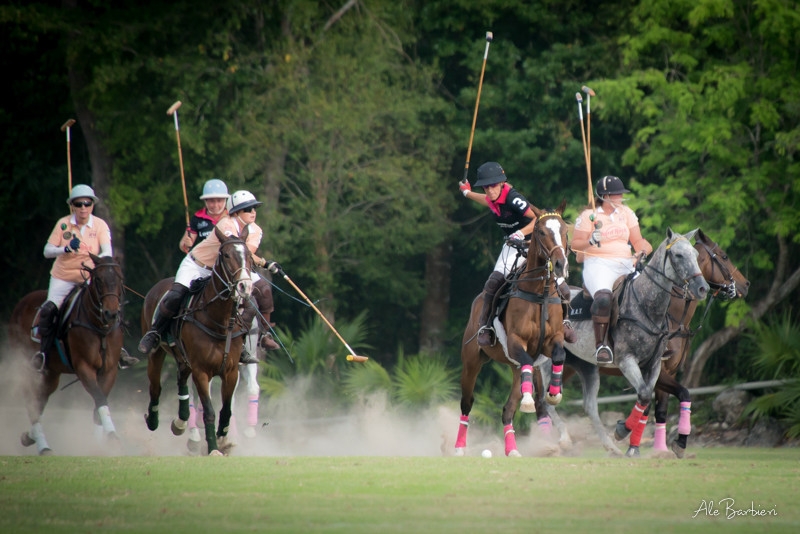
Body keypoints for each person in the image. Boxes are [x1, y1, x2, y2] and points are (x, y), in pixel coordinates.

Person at [137, 190, 279, 362]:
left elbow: (245, 253)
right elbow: (235, 248)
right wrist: (264, 262)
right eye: (248, 209)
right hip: (197, 265)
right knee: (176, 294)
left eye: (254, 208)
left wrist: (264, 264)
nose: (253, 212)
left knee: (263, 290)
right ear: (236, 212)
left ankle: (261, 335)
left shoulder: (255, 230)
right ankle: (154, 333)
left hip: (224, 270)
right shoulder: (226, 224)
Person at [36, 184, 138, 369]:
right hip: (64, 276)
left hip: (90, 277)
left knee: (111, 304)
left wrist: (98, 263)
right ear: (72, 206)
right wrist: (65, 249)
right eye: (78, 204)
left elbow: (107, 251)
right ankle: (43, 353)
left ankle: (119, 350)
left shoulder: (100, 225)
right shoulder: (63, 224)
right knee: (49, 310)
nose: (83, 207)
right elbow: (47, 251)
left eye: (87, 203)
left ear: (92, 205)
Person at [571, 175, 653, 364]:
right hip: (598, 264)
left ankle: (656, 340)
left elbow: (639, 241)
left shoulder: (626, 213)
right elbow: (575, 246)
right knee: (603, 298)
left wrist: (640, 252)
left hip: (626, 262)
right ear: (605, 196)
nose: (621, 197)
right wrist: (590, 240)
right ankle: (602, 345)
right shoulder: (588, 216)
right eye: (617, 194)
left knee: (650, 293)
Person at [459, 162, 539, 347]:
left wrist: (521, 233)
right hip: (512, 246)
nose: (490, 190)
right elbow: (486, 200)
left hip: (532, 245)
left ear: (502, 183)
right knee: (493, 282)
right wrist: (467, 193)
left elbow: (538, 218)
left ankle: (565, 322)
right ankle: (486, 326)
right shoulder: (492, 197)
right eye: (486, 187)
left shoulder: (513, 199)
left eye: (493, 185)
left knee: (557, 279)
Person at [179, 178, 230, 253]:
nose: (215, 205)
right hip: (204, 257)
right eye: (212, 201)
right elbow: (183, 245)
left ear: (225, 200)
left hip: (228, 257)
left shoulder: (232, 216)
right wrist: (186, 244)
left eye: (219, 201)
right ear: (205, 201)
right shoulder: (197, 218)